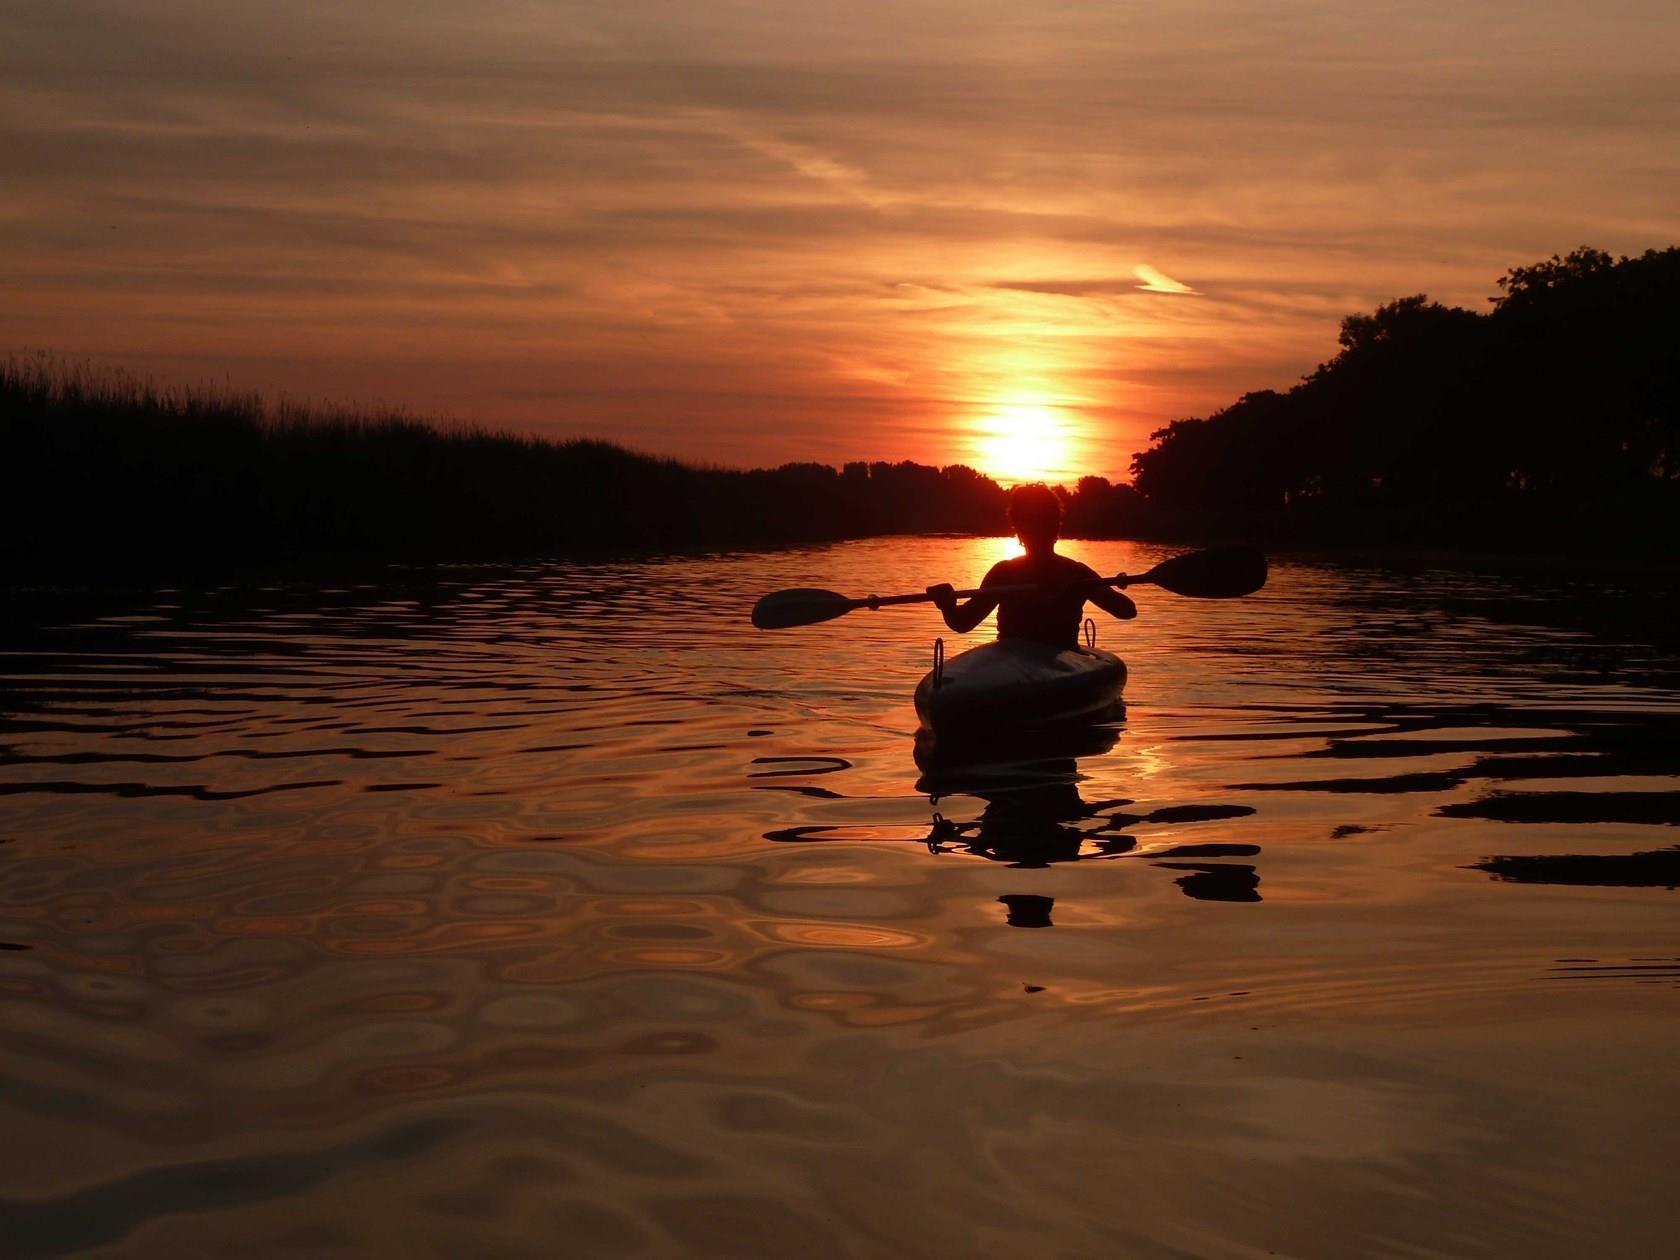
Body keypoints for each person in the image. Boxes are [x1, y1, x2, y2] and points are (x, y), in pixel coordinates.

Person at [927, 483, 1135, 647]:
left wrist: (948, 607)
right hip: (1012, 662)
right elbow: (963, 623)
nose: (1036, 529)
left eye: (1041, 522)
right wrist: (947, 603)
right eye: (1030, 522)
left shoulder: (1072, 574)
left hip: (1057, 663)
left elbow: (1126, 611)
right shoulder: (1074, 573)